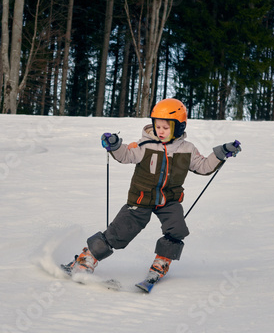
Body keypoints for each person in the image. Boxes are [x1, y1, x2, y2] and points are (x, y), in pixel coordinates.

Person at [63, 98, 241, 291]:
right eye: (158, 126)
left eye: (166, 127)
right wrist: (115, 146)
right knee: (120, 232)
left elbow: (204, 167)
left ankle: (161, 263)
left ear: (179, 128)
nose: (160, 131)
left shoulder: (187, 149)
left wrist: (221, 153)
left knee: (177, 228)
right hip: (141, 198)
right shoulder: (145, 145)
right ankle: (86, 259)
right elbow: (126, 155)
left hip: (169, 201)